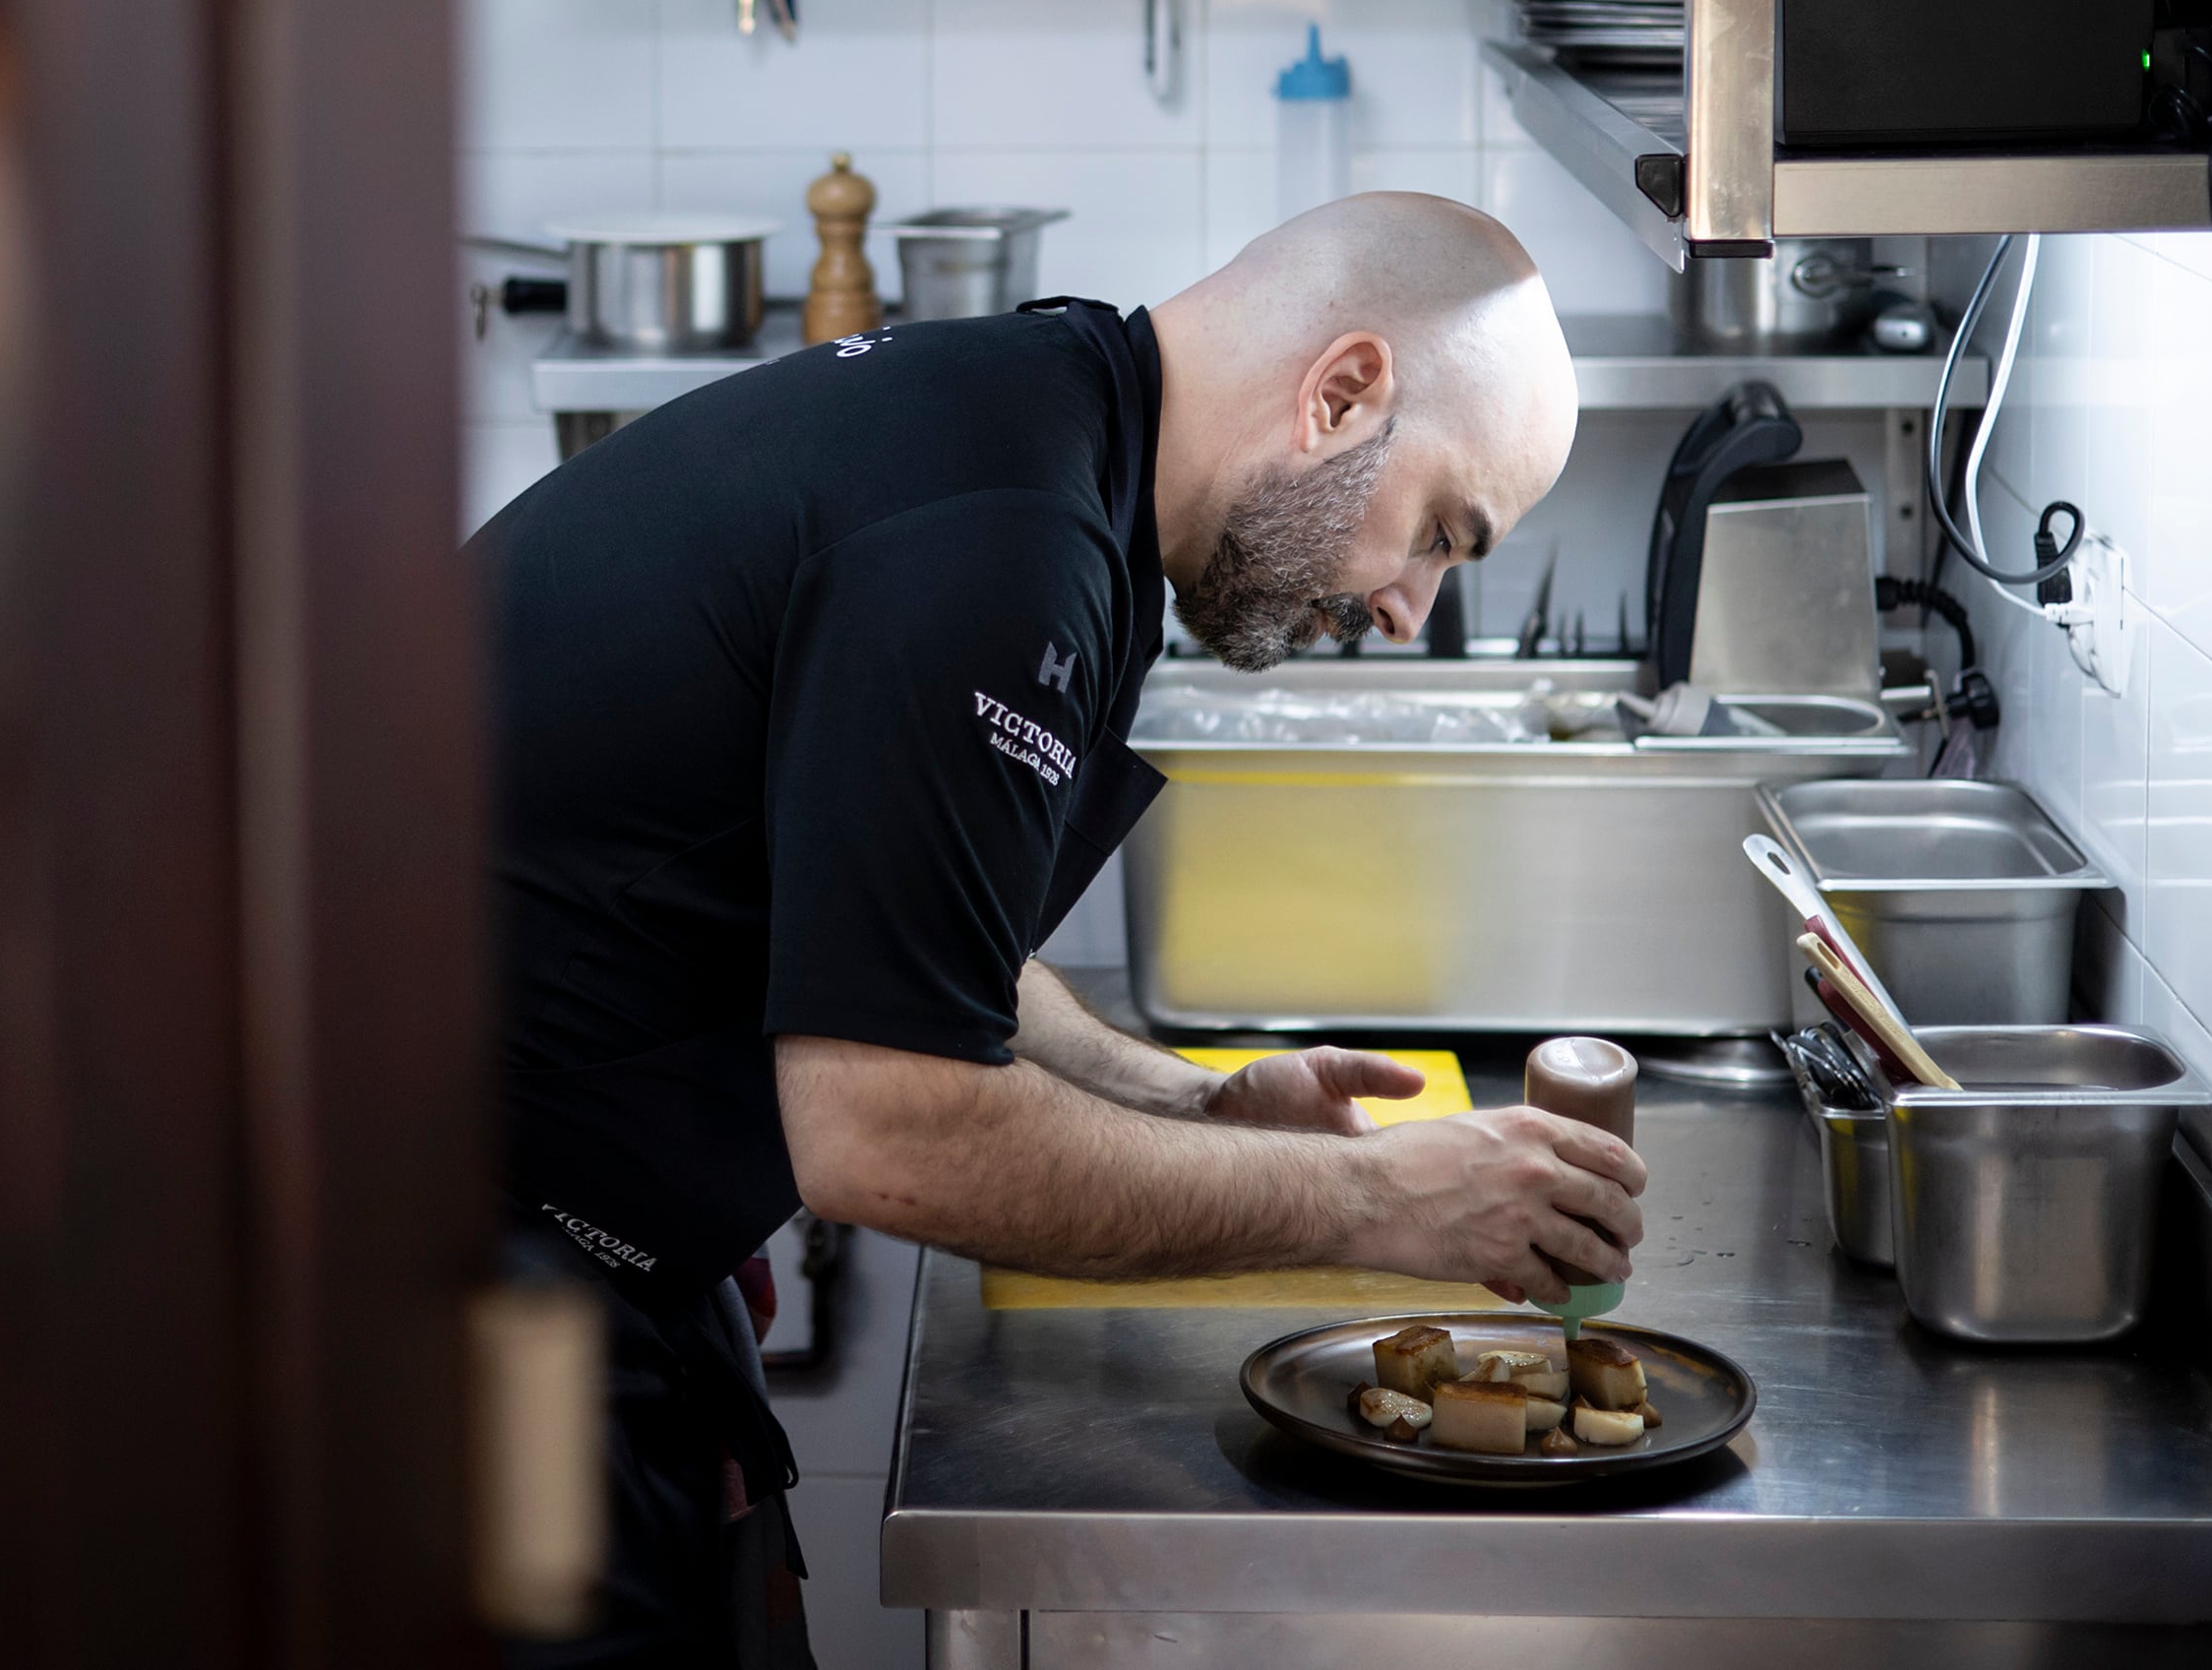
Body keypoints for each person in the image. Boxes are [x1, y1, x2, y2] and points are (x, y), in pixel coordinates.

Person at [476, 194, 1645, 1669]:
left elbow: (902, 916)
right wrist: (1387, 1208)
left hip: (573, 1250)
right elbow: (887, 1127)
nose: (1413, 606)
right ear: (1341, 393)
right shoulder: (1000, 540)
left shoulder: (1052, 437)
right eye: (1439, 531)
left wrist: (1198, 1099)